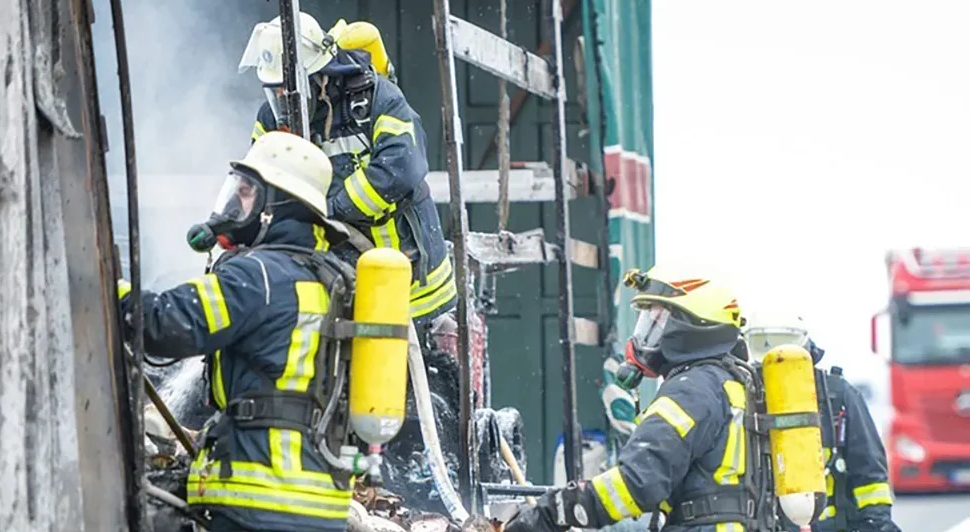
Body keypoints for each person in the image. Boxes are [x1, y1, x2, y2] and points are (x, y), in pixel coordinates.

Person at [118, 131, 358, 532]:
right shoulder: (333, 279)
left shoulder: (260, 275)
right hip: (323, 508)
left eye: (246, 192)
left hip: (258, 500)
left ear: (275, 205)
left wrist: (111, 288)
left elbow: (165, 324)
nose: (233, 203)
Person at [505, 266, 777, 532]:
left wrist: (555, 511)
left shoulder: (692, 389)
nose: (645, 335)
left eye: (657, 321)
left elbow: (637, 482)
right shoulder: (734, 384)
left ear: (690, 326)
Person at [234, 11, 456, 331]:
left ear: (319, 75)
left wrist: (330, 210)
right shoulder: (272, 118)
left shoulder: (378, 100)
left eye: (287, 88)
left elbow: (400, 168)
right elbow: (256, 181)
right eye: (274, 89)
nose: (281, 97)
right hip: (336, 280)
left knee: (399, 374)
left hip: (410, 281)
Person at [743, 312, 901, 532]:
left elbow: (869, 471)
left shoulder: (836, 395)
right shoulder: (745, 396)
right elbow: (870, 469)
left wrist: (876, 523)